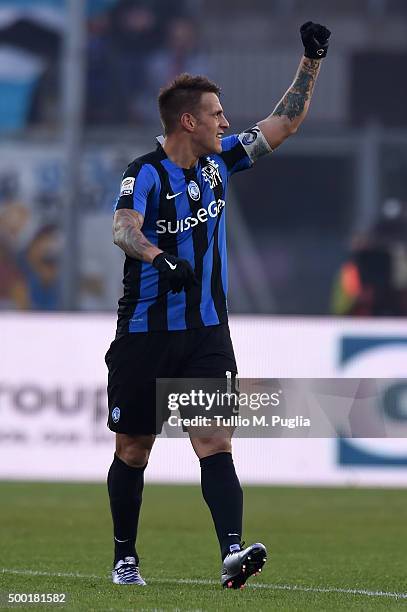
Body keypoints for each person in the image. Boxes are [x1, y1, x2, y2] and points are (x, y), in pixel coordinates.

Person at [105, 21, 331, 588]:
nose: (226, 122)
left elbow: (285, 123)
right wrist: (159, 259)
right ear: (189, 120)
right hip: (145, 332)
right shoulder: (145, 173)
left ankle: (233, 552)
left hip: (207, 332)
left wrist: (312, 60)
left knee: (213, 440)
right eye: (217, 113)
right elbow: (122, 229)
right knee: (134, 448)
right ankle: (125, 559)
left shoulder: (220, 161)